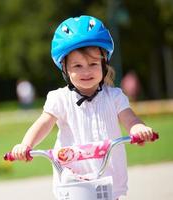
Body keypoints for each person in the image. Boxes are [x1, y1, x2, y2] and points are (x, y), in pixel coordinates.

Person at [10, 15, 155, 200]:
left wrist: (138, 129)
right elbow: (43, 124)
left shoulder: (114, 97)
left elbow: (130, 118)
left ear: (104, 64)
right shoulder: (60, 99)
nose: (86, 71)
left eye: (93, 64)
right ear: (65, 68)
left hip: (108, 181)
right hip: (72, 182)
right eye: (77, 65)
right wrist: (25, 144)